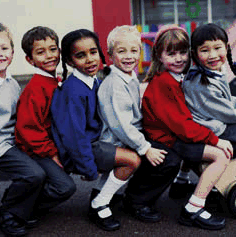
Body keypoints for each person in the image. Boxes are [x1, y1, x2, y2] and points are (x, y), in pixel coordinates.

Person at [126, 24, 233, 230]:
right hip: (168, 139)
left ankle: (181, 183)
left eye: (183, 52)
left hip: (175, 134)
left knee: (207, 143)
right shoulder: (163, 83)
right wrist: (216, 139)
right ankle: (193, 208)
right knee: (221, 155)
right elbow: (182, 126)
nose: (179, 59)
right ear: (159, 55)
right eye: (171, 53)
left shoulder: (181, 77)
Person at [50, 29, 141, 231]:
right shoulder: (74, 90)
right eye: (80, 55)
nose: (90, 59)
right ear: (70, 61)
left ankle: (100, 193)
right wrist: (88, 168)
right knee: (132, 160)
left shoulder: (94, 81)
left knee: (130, 148)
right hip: (80, 150)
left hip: (94, 142)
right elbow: (74, 136)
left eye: (93, 52)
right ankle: (99, 203)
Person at [183, 23, 236, 208]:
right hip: (215, 131)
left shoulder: (210, 73)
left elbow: (227, 101)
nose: (212, 55)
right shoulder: (201, 83)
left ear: (226, 48)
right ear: (195, 53)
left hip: (217, 124)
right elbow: (227, 113)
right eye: (205, 50)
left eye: (217, 48)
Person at [97, 25, 169, 222]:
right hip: (114, 140)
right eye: (121, 51)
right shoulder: (115, 84)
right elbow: (122, 126)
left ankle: (104, 193)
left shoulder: (129, 76)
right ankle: (101, 202)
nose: (129, 56)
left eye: (134, 50)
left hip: (125, 136)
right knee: (153, 158)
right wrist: (145, 148)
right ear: (111, 54)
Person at [0, 21, 47, 236]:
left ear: (12, 52)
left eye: (4, 48)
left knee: (44, 166)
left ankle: (22, 206)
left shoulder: (10, 82)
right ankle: (8, 214)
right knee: (34, 174)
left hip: (10, 141)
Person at [15, 26, 76, 219]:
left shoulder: (53, 81)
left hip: (49, 145)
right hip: (36, 149)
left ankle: (30, 202)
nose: (49, 55)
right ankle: (23, 208)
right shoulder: (35, 89)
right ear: (30, 59)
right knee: (65, 187)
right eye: (41, 52)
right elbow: (29, 129)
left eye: (53, 49)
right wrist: (52, 155)